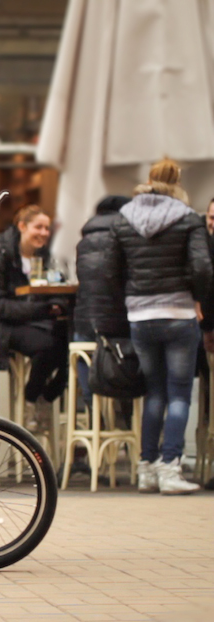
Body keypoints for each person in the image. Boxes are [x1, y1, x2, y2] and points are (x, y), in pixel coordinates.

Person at [107, 159, 211, 495]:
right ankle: (170, 468)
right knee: (180, 394)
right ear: (177, 181)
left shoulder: (124, 218)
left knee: (154, 393)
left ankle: (146, 468)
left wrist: (131, 297)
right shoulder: (188, 217)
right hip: (179, 312)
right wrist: (198, 301)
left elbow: (111, 269)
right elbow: (202, 267)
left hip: (140, 315)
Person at [0, 205, 68, 431]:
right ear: (22, 226)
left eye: (47, 228)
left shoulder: (47, 259)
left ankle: (43, 398)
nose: (43, 233)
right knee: (49, 346)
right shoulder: (1, 259)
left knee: (71, 345)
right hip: (7, 327)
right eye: (38, 227)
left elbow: (59, 289)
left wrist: (57, 305)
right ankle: (32, 400)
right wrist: (42, 310)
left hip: (41, 324)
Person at [73, 196, 130, 411]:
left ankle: (94, 414)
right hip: (118, 326)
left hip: (84, 322)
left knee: (83, 355)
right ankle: (124, 421)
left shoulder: (83, 242)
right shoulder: (125, 237)